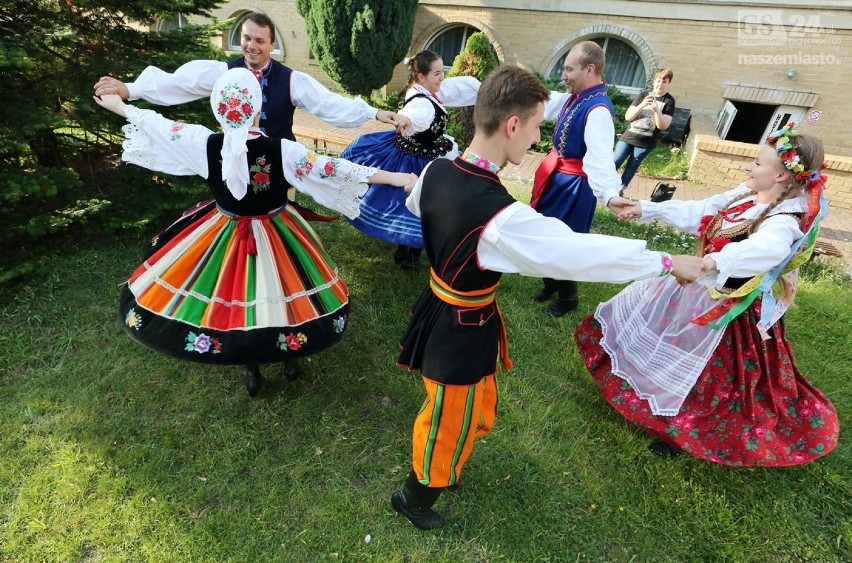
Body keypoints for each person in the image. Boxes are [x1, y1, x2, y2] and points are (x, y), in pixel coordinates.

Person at [390, 65, 704, 530]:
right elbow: (576, 253)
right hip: (458, 324)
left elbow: (419, 203)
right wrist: (662, 261)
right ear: (512, 125)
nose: (538, 138)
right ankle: (413, 497)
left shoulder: (438, 169)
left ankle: (443, 465)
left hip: (444, 306)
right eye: (538, 126)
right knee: (446, 413)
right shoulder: (501, 216)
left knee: (467, 402)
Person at [93, 68, 416, 397]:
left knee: (240, 296)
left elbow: (157, 126)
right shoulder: (282, 150)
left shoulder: (204, 143)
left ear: (218, 108)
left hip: (224, 228)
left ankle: (255, 363)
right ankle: (285, 354)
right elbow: (333, 169)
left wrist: (119, 105)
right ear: (259, 108)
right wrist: (397, 178)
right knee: (282, 287)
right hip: (275, 230)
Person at [574, 123, 839, 466]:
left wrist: (712, 261)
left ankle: (681, 427)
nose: (749, 167)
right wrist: (646, 208)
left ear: (781, 177)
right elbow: (702, 211)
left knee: (709, 376)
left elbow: (766, 250)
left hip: (727, 306)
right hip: (694, 288)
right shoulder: (746, 195)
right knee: (665, 340)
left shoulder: (784, 219)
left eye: (758, 163)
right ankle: (652, 401)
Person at [93, 12, 404, 142]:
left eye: (259, 41)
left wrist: (375, 111)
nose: (251, 46)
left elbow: (329, 104)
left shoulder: (292, 79)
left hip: (279, 160)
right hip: (232, 158)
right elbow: (179, 83)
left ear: (272, 45)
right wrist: (129, 88)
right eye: (246, 38)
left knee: (276, 228)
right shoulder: (221, 72)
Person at [341, 50, 480, 270]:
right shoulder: (420, 103)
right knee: (415, 201)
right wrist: (406, 119)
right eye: (436, 73)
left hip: (426, 150)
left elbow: (453, 90)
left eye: (441, 72)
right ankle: (407, 251)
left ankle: (409, 251)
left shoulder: (425, 90)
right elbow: (414, 115)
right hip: (416, 158)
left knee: (418, 201)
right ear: (421, 77)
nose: (441, 78)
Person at [529, 40, 628, 317]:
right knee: (543, 235)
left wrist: (609, 194)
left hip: (575, 187)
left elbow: (600, 159)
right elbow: (544, 104)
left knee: (565, 243)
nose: (564, 75)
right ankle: (551, 283)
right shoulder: (575, 97)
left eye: (569, 69)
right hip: (557, 179)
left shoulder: (597, 110)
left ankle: (568, 297)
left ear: (590, 70)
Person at [613, 68, 676, 194]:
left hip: (646, 142)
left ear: (668, 83)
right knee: (615, 161)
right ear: (654, 81)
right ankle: (604, 184)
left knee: (632, 166)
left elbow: (662, 126)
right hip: (628, 137)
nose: (660, 84)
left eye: (664, 81)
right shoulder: (643, 95)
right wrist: (642, 105)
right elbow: (628, 117)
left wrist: (657, 110)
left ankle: (620, 189)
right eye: (658, 80)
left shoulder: (669, 101)